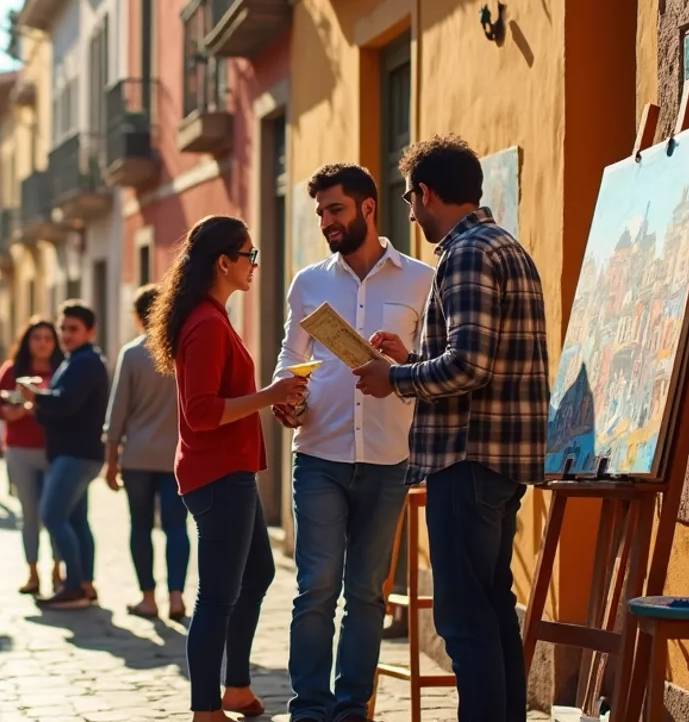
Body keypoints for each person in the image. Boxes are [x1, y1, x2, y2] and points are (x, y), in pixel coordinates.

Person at [354, 135, 549, 722]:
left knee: (464, 619)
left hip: (468, 458)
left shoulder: (465, 254)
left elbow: (470, 364)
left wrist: (396, 378)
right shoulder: (505, 245)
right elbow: (482, 357)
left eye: (410, 201)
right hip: (499, 457)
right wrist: (410, 358)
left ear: (426, 193)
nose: (410, 215)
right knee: (491, 610)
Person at [273, 164, 433, 722]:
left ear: (368, 208)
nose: (325, 222)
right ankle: (310, 709)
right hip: (319, 453)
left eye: (335, 210)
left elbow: (434, 367)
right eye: (320, 212)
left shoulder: (421, 280)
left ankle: (350, 710)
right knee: (315, 588)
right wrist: (288, 398)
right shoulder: (308, 284)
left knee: (366, 594)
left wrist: (405, 363)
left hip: (389, 458)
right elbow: (291, 361)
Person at [148, 215, 309, 721]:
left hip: (230, 472)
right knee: (216, 596)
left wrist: (269, 400)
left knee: (258, 573)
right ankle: (205, 708)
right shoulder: (205, 324)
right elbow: (201, 413)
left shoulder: (213, 318)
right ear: (224, 262)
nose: (254, 264)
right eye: (249, 255)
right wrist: (269, 396)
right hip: (216, 476)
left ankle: (236, 688)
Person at [104, 284, 188, 621]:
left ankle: (148, 598)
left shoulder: (133, 353)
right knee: (176, 528)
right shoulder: (183, 351)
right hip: (177, 456)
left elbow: (117, 413)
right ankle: (178, 597)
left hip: (137, 457)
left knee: (140, 527)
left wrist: (111, 461)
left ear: (139, 316)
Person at [18, 301, 109, 611]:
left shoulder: (85, 362)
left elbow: (67, 404)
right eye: (63, 328)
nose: (66, 335)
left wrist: (36, 397)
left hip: (76, 453)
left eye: (74, 329)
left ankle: (73, 586)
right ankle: (85, 583)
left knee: (52, 515)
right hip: (76, 452)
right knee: (76, 519)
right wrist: (42, 401)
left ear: (89, 331)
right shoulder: (77, 360)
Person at [0, 318, 66, 596]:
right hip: (19, 450)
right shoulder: (12, 370)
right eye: (37, 337)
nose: (43, 343)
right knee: (29, 514)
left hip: (55, 451)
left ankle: (59, 570)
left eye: (48, 337)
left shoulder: (63, 370)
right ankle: (33, 572)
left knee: (56, 513)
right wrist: (12, 412)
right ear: (27, 341)